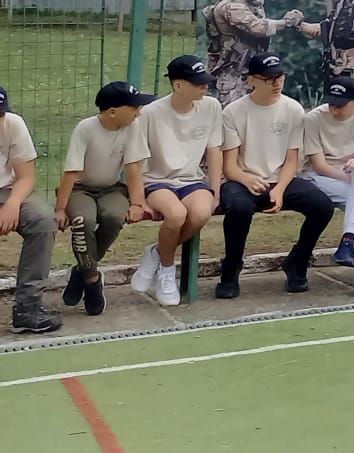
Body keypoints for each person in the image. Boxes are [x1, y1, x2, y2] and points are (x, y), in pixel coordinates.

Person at [217, 52, 333, 299]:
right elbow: (229, 167)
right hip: (242, 181)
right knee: (238, 207)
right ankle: (231, 269)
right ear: (252, 80)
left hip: (281, 180)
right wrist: (247, 179)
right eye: (269, 79)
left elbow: (292, 160)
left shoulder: (293, 109)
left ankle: (297, 261)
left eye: (280, 77)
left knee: (322, 206)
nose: (276, 83)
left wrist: (279, 188)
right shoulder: (233, 112)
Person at [129, 55, 225, 307]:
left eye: (205, 81)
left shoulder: (212, 106)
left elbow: (214, 150)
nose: (204, 86)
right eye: (197, 82)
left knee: (202, 212)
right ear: (178, 85)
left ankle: (157, 251)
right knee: (176, 214)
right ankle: (167, 269)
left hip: (193, 180)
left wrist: (215, 190)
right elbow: (135, 162)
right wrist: (138, 201)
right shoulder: (149, 113)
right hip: (157, 180)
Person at [55, 82, 151, 318]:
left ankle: (81, 270)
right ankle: (92, 280)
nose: (139, 113)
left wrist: (137, 203)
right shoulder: (85, 129)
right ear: (113, 111)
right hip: (80, 189)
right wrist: (60, 209)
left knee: (114, 216)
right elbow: (71, 172)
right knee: (82, 220)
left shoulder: (133, 126)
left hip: (112, 189)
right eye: (134, 108)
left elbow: (133, 169)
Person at [301, 71, 354, 298]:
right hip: (322, 177)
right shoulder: (313, 118)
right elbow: (319, 165)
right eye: (331, 103)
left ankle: (349, 241)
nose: (334, 109)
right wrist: (350, 179)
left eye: (340, 105)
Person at [1, 84, 60, 333]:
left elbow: (26, 176)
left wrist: (12, 204)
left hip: (7, 190)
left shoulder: (13, 124)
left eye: (0, 113)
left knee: (42, 220)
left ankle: (27, 308)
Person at [203, 0, 302, 107]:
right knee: (232, 114)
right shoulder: (232, 6)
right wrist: (285, 22)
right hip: (233, 73)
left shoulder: (252, 4)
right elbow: (257, 28)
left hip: (251, 71)